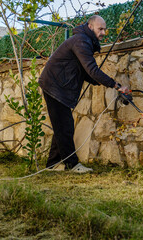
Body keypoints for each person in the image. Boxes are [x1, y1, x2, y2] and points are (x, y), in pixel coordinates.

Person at [39, 15, 129, 173]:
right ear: (90, 27)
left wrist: (101, 82)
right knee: (65, 127)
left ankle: (52, 164)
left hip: (58, 86)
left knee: (62, 126)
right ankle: (72, 165)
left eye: (104, 29)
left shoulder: (83, 41)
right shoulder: (81, 41)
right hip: (54, 86)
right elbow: (92, 70)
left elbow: (85, 72)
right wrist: (115, 85)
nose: (103, 32)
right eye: (100, 29)